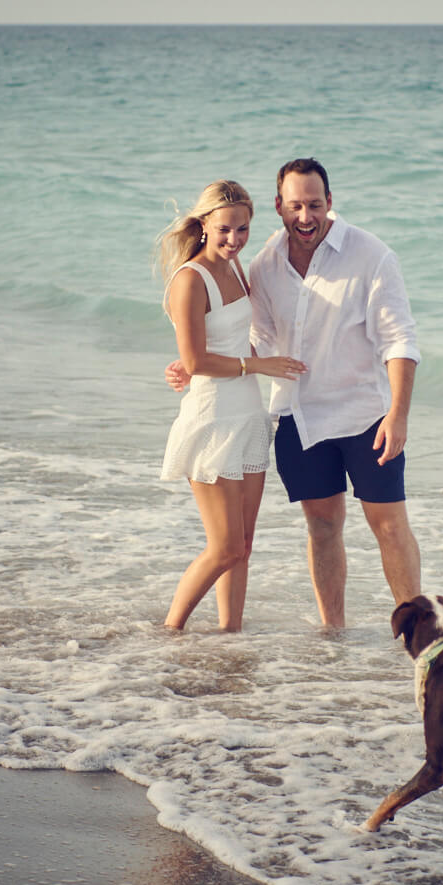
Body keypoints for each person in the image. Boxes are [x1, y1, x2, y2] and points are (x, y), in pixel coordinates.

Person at [167, 159, 422, 627]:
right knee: (322, 527)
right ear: (279, 206)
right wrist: (197, 362)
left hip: (364, 416)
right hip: (298, 418)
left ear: (331, 203)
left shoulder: (372, 256)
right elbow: (260, 337)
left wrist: (398, 415)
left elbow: (399, 341)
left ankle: (418, 635)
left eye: (315, 205)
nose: (306, 217)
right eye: (296, 206)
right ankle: (334, 633)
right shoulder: (264, 263)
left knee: (388, 526)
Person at [156, 180, 307, 632]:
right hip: (212, 421)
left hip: (248, 418)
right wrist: (258, 365)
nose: (234, 240)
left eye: (242, 230)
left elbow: (214, 346)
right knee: (223, 547)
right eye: (224, 229)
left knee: (243, 543)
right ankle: (170, 631)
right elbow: (198, 359)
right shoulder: (190, 279)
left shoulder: (238, 268)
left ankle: (230, 634)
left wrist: (228, 363)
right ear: (204, 225)